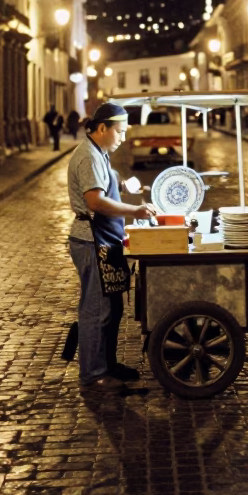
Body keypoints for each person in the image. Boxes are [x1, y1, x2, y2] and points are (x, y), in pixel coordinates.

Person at [67, 102, 156, 391]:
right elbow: (95, 202)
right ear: (102, 128)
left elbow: (109, 186)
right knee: (96, 309)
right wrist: (135, 211)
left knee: (113, 307)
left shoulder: (100, 154)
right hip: (91, 240)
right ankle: (93, 373)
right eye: (119, 131)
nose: (122, 138)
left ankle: (108, 363)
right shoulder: (89, 157)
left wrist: (126, 188)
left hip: (105, 239)